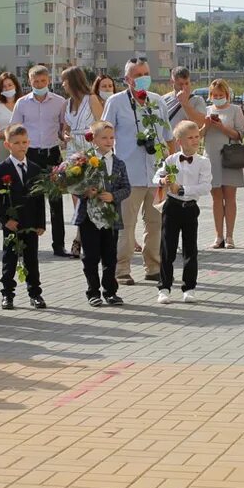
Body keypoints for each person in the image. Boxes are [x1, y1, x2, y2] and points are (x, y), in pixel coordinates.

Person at [102, 58, 174, 284]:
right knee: (126, 225)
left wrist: (171, 168)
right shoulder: (115, 102)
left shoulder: (157, 101)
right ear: (127, 79)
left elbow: (169, 137)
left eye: (146, 73)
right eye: (138, 74)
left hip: (155, 173)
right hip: (127, 176)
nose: (143, 78)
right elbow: (104, 135)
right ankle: (121, 270)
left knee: (155, 224)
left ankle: (153, 266)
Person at [11, 65, 69, 257]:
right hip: (31, 154)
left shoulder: (59, 102)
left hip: (52, 153)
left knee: (56, 200)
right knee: (29, 198)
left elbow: (63, 126)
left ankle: (58, 244)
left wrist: (66, 136)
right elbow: (15, 128)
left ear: (48, 81)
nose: (40, 84)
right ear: (30, 82)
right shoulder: (22, 103)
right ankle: (27, 241)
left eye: (43, 81)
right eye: (36, 82)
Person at [73, 121, 130, 307]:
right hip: (89, 217)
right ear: (94, 139)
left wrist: (113, 196)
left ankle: (110, 291)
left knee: (110, 255)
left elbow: (126, 188)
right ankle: (92, 291)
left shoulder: (119, 163)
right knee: (90, 256)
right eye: (104, 137)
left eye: (111, 138)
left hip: (110, 216)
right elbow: (74, 185)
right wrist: (85, 192)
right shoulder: (83, 161)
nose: (108, 141)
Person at [154, 121, 212, 304]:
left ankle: (189, 287)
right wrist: (163, 181)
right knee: (167, 249)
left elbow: (205, 187)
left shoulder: (203, 162)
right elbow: (157, 176)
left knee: (190, 249)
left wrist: (182, 189)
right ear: (179, 141)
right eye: (190, 137)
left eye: (197, 137)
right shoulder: (171, 159)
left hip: (190, 208)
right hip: (171, 207)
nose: (195, 140)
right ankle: (164, 288)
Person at [0, 124, 47, 311]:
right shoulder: (1, 169)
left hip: (30, 222)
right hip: (12, 223)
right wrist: (5, 220)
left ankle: (35, 293)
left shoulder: (34, 168)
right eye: (16, 143)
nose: (21, 146)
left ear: (29, 143)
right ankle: (7, 294)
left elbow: (39, 198)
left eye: (24, 142)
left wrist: (40, 223)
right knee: (10, 259)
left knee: (32, 258)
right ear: (8, 145)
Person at [201, 78, 244, 249]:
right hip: (211, 157)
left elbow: (240, 134)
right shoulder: (206, 110)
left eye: (221, 95)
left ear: (227, 94)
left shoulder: (235, 110)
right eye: (215, 95)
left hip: (230, 157)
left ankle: (230, 236)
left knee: (230, 197)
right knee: (216, 198)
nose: (218, 97)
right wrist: (205, 125)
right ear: (211, 95)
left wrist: (221, 127)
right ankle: (218, 236)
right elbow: (199, 135)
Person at [61, 66, 98, 259]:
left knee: (88, 194)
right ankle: (81, 234)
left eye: (65, 81)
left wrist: (93, 134)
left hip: (89, 148)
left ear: (73, 81)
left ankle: (80, 238)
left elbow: (102, 122)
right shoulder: (67, 103)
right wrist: (65, 135)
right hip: (72, 150)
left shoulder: (90, 99)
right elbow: (65, 128)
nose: (63, 85)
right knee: (76, 194)